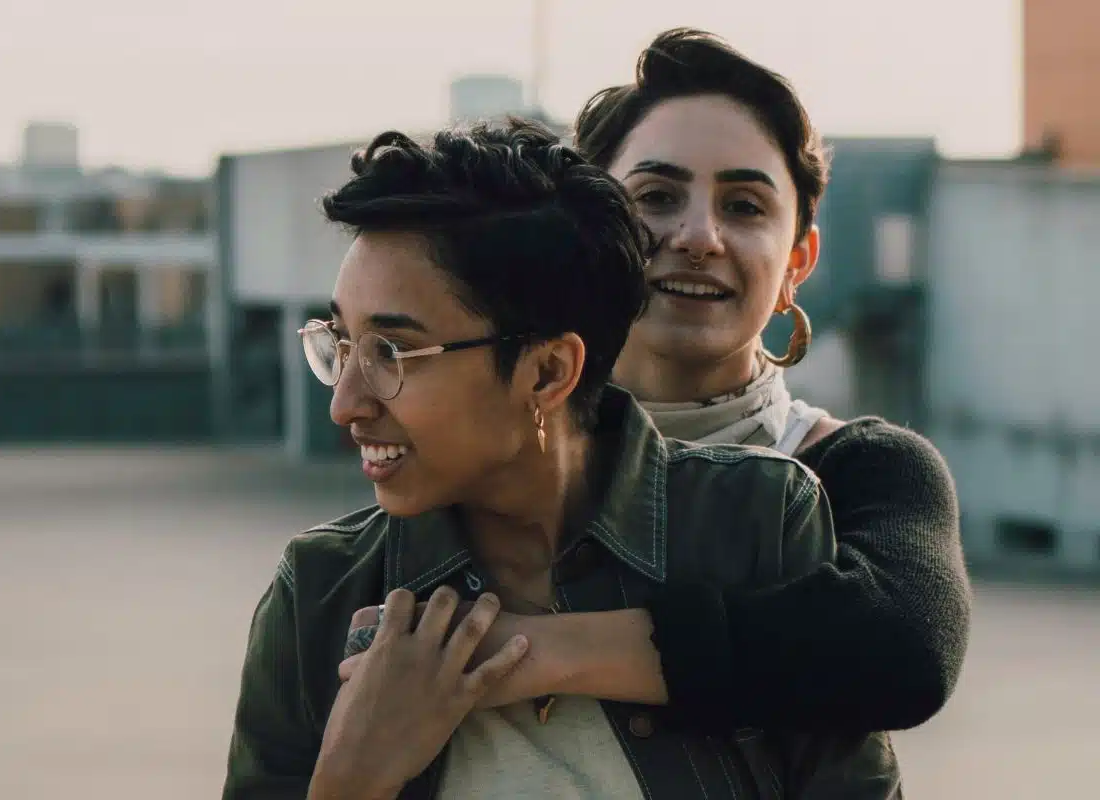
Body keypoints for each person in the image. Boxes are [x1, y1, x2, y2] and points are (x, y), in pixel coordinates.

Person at [223, 119, 900, 798]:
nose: (345, 404)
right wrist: (350, 779)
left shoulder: (756, 524)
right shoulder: (323, 592)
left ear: (548, 372)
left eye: (392, 353)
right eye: (341, 342)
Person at [343, 28, 971, 736]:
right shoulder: (481, 464)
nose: (699, 237)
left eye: (744, 206)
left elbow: (902, 648)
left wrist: (527, 650)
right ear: (589, 236)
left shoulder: (859, 469)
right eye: (657, 196)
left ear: (798, 261)